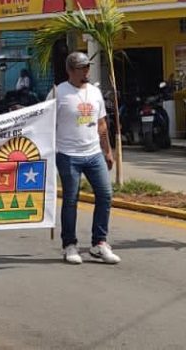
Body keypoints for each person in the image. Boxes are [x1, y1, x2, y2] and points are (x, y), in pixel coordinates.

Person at [53, 51, 119, 265]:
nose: (86, 71)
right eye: (82, 68)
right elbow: (45, 124)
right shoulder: (58, 92)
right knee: (71, 200)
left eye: (87, 67)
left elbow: (101, 124)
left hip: (93, 153)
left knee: (105, 194)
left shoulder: (95, 92)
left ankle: (99, 243)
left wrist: (107, 151)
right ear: (70, 70)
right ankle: (69, 245)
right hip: (67, 154)